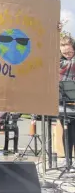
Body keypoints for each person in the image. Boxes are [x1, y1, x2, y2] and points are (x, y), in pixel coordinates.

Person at [59, 34, 75, 166]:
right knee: (67, 129)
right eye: (65, 53)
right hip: (63, 100)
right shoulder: (58, 61)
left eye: (70, 51)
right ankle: (68, 159)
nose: (68, 54)